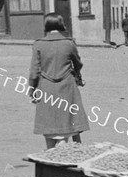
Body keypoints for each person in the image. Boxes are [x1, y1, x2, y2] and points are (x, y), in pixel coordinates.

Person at [28, 13, 89, 149]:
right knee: (66, 127)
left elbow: (34, 72)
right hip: (67, 87)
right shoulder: (69, 43)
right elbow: (78, 63)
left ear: (46, 26)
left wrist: (31, 90)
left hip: (46, 88)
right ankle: (62, 158)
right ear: (61, 24)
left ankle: (51, 159)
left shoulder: (39, 44)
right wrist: (77, 74)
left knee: (50, 130)